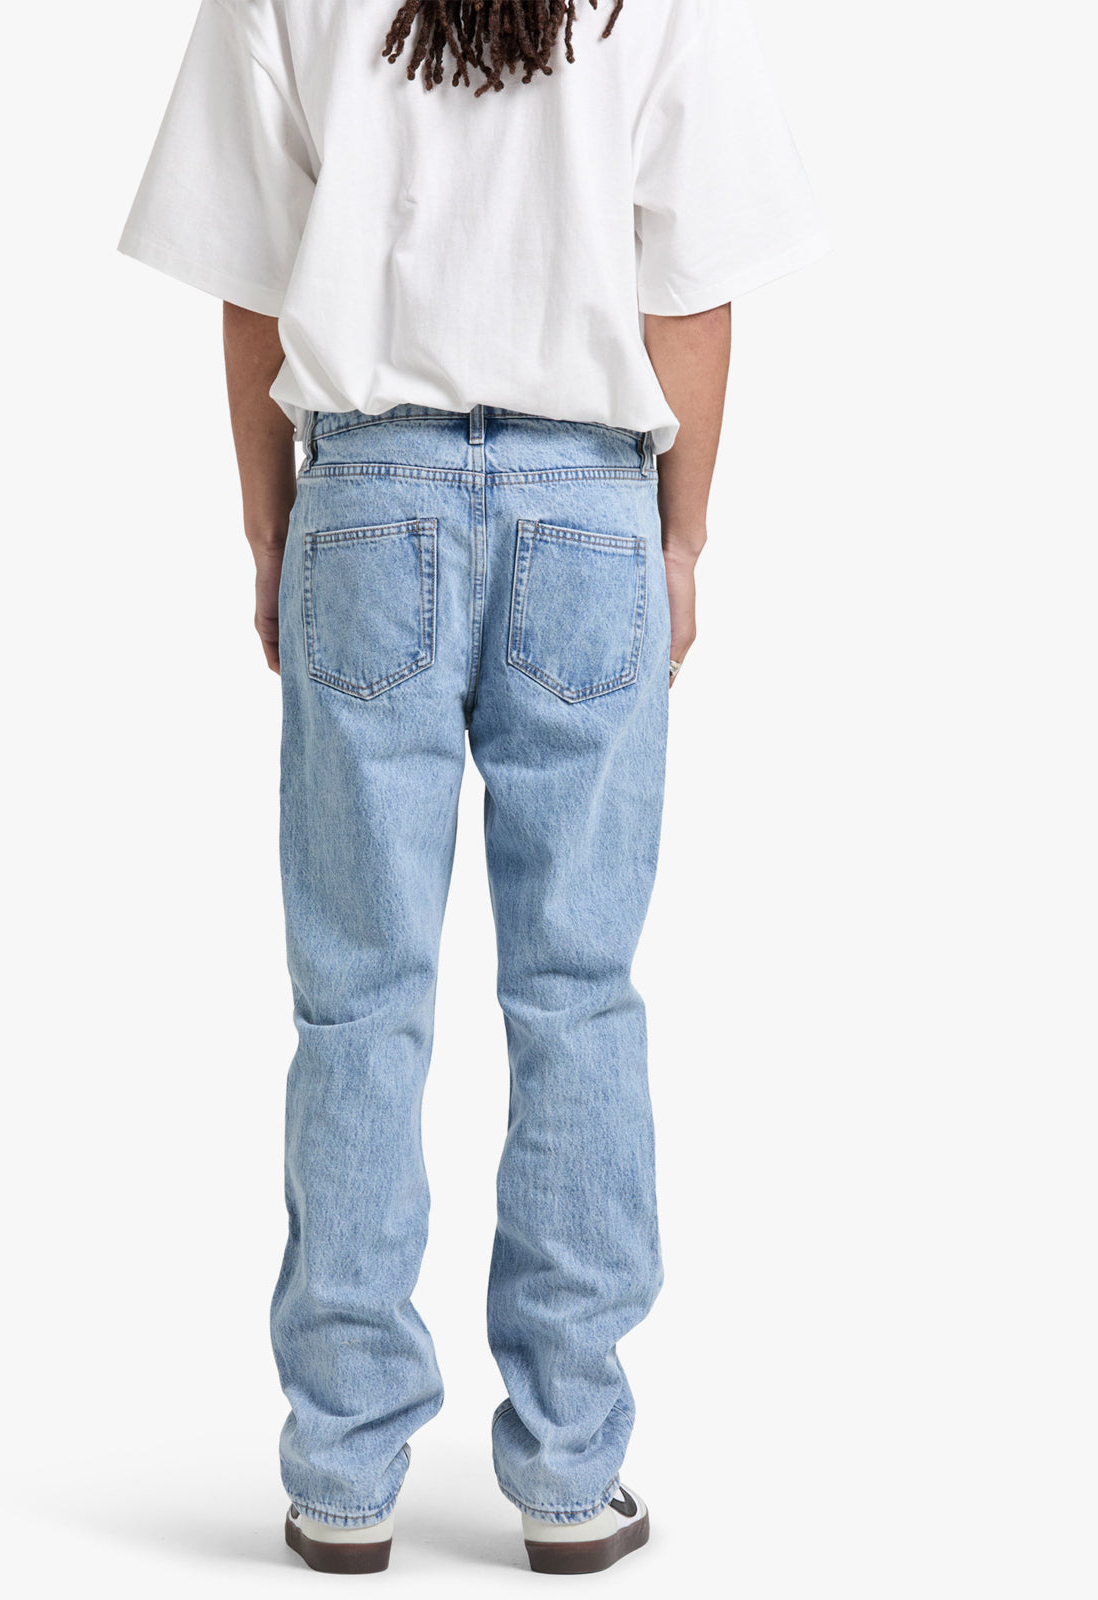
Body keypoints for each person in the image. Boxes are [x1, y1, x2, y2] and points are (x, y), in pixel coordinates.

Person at [119, 0, 826, 1575]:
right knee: (576, 996)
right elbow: (689, 291)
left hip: (366, 492)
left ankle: (341, 1475)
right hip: (587, 503)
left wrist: (271, 533)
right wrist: (678, 539)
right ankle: (569, 1472)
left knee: (356, 1002)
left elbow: (252, 287)